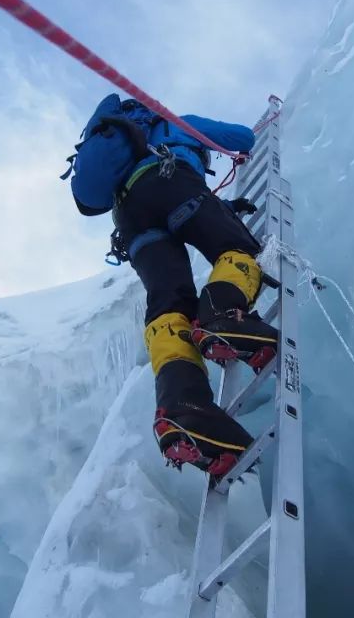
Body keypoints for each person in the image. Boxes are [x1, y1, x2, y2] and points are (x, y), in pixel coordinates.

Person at [70, 94, 278, 477]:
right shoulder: (175, 121)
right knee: (239, 250)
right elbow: (242, 139)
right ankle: (222, 317)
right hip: (170, 181)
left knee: (169, 303)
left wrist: (224, 210)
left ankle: (184, 407)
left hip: (131, 221)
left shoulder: (123, 155)